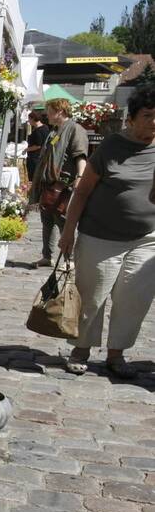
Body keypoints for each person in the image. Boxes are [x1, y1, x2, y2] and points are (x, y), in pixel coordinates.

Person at [59, 85, 155, 378]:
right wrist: (68, 231)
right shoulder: (111, 147)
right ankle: (81, 349)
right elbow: (83, 191)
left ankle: (117, 354)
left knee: (134, 299)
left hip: (147, 238)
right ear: (132, 119)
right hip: (100, 236)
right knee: (92, 297)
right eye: (148, 116)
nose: (154, 122)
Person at [31, 98, 89, 267]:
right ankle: (47, 256)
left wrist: (79, 178)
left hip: (63, 184)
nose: (46, 114)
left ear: (60, 111)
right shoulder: (54, 131)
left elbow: (80, 156)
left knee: (63, 222)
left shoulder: (75, 129)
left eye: (49, 111)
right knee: (47, 221)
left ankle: (68, 259)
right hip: (48, 184)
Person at [25, 110, 50, 183]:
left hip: (35, 157)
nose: (28, 121)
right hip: (41, 155)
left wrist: (26, 149)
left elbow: (38, 145)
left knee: (33, 176)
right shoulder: (45, 127)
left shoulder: (38, 131)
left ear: (33, 119)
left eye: (29, 119)